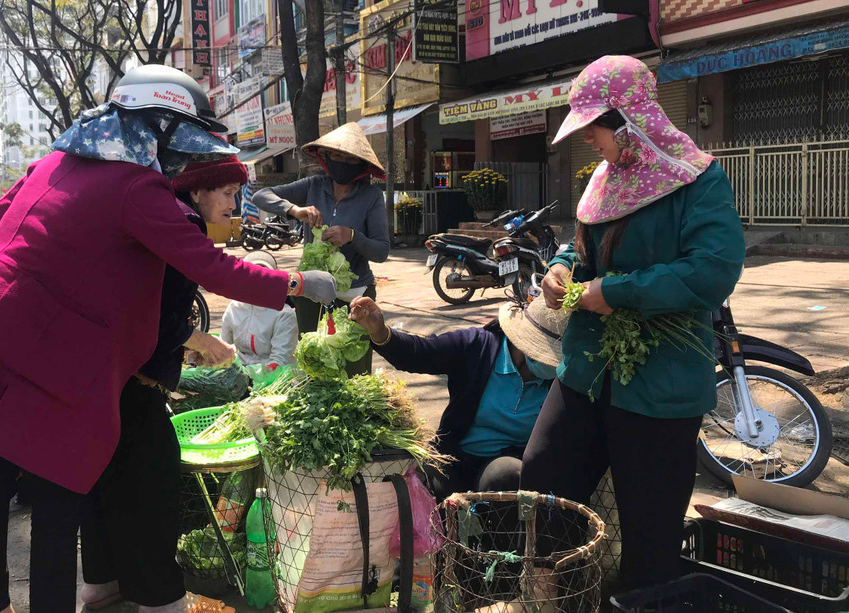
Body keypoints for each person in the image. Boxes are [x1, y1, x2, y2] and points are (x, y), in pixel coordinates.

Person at [0, 64, 336, 613]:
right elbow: (212, 268)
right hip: (44, 360)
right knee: (58, 497)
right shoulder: (137, 187)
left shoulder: (55, 160)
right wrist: (296, 281)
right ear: (159, 128)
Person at [519, 55, 745, 592]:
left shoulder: (698, 178)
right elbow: (585, 259)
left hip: (660, 382)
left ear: (627, 120)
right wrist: (560, 271)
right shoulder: (604, 180)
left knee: (649, 530)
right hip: (586, 369)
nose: (589, 142)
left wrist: (617, 293)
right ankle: (558, 591)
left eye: (595, 129)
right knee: (544, 476)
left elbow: (713, 270)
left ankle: (640, 600)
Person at [79, 153, 257, 612]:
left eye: (236, 194)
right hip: (130, 376)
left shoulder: (158, 212)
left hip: (104, 370)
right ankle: (160, 598)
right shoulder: (182, 223)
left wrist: (185, 343)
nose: (233, 203)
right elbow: (148, 310)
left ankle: (103, 581)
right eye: (226, 193)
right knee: (152, 482)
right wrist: (200, 339)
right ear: (197, 191)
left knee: (109, 477)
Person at [348, 296, 566, 501]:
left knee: (506, 474)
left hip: (504, 468)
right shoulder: (476, 346)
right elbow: (420, 353)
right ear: (523, 340)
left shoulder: (556, 382)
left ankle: (496, 542)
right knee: (427, 481)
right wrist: (380, 333)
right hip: (454, 458)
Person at [253, 122, 389, 376]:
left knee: (353, 370)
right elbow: (261, 196)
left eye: (349, 158)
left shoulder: (371, 197)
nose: (341, 162)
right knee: (313, 364)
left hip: (355, 295)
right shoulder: (313, 186)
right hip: (311, 291)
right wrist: (294, 210)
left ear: (361, 165)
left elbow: (381, 251)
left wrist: (352, 236)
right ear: (326, 157)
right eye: (336, 155)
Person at [221, 251, 299, 370]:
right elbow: (224, 345)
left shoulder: (283, 314)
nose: (257, 283)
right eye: (252, 276)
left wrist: (253, 376)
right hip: (240, 372)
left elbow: (280, 360)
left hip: (272, 377)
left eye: (263, 277)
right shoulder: (234, 307)